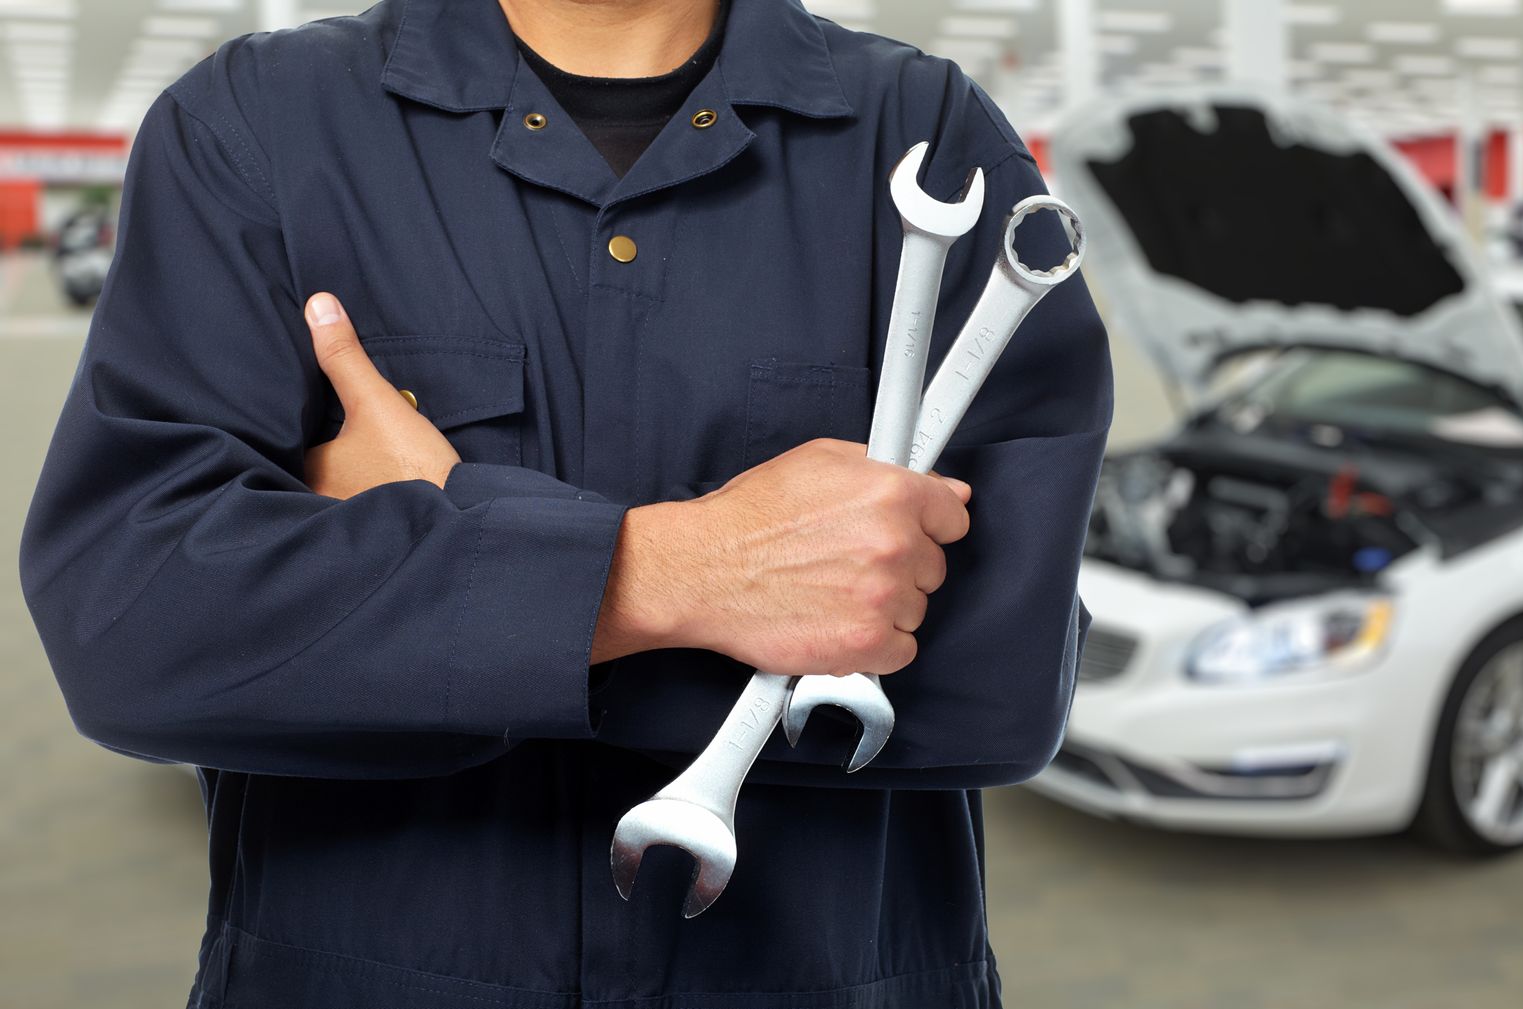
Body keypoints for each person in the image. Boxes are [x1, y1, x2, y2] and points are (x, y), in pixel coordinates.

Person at [18, 0, 1112, 1005]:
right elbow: (134, 621)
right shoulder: (255, 128)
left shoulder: (919, 129)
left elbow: (1003, 682)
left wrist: (441, 558)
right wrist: (681, 575)